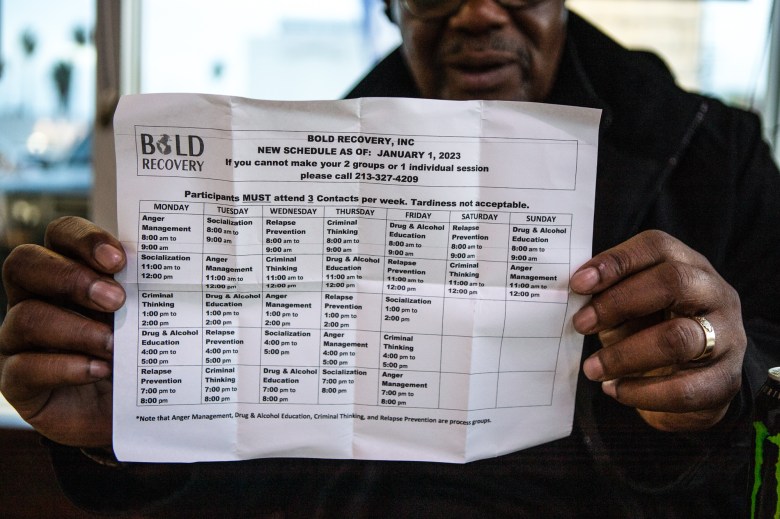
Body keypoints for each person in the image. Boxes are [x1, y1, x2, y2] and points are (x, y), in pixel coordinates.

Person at [1, 0, 779, 516]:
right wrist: (127, 429)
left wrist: (734, 376)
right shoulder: (286, 173)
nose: (476, 11)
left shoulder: (718, 155)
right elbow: (260, 469)